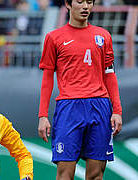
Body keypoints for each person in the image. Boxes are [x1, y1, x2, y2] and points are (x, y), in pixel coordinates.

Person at [37, 0, 122, 179]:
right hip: (69, 108)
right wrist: (43, 115)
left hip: (100, 106)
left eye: (89, 2)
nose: (85, 6)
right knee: (65, 174)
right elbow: (47, 79)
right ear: (68, 4)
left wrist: (117, 111)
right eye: (80, 1)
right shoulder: (54, 38)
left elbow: (110, 75)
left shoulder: (104, 36)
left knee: (96, 174)